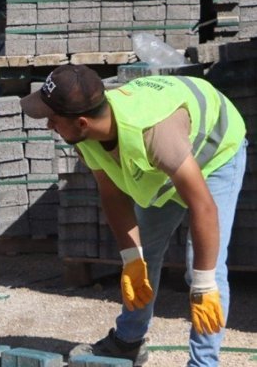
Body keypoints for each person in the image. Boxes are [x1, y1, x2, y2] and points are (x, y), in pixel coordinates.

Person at [20, 65, 246, 367]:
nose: (49, 125)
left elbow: (203, 207)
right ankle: (128, 342)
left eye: (53, 119)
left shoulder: (155, 133)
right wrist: (130, 258)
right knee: (144, 254)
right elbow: (112, 193)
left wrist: (204, 286)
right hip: (167, 161)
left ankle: (204, 362)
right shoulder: (85, 137)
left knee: (204, 270)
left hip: (215, 151)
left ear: (83, 122)